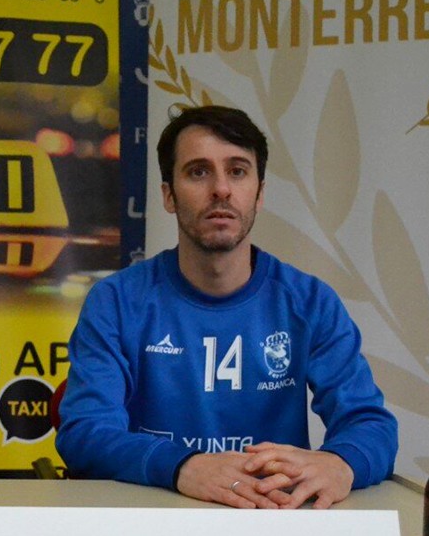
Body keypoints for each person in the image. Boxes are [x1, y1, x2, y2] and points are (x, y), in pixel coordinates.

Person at [55, 105, 397, 509]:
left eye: (237, 171)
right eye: (198, 172)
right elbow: (84, 432)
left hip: (271, 522)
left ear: (260, 192)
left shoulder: (309, 302)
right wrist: (183, 467)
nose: (221, 189)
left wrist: (341, 463)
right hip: (152, 521)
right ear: (168, 194)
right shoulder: (115, 301)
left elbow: (371, 424)